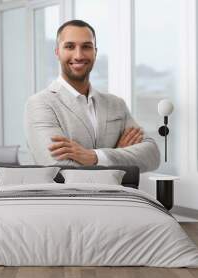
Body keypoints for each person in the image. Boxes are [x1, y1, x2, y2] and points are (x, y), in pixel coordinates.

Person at [24, 20, 160, 172]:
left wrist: (96, 156)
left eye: (86, 47)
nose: (79, 55)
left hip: (117, 196)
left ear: (95, 52)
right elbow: (60, 169)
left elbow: (152, 155)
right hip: (66, 196)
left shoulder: (116, 104)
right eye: (69, 46)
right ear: (57, 52)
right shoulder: (40, 104)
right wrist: (117, 156)